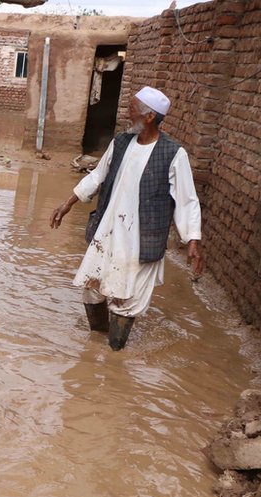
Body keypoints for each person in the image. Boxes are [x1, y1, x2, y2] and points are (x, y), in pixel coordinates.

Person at [50, 85, 204, 351]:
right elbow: (97, 176)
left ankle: (115, 353)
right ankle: (95, 345)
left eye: (132, 109)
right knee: (91, 288)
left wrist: (192, 241)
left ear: (149, 117)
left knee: (127, 300)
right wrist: (68, 204)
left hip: (143, 239)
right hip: (108, 232)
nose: (126, 113)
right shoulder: (120, 142)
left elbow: (186, 199)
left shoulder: (173, 154)